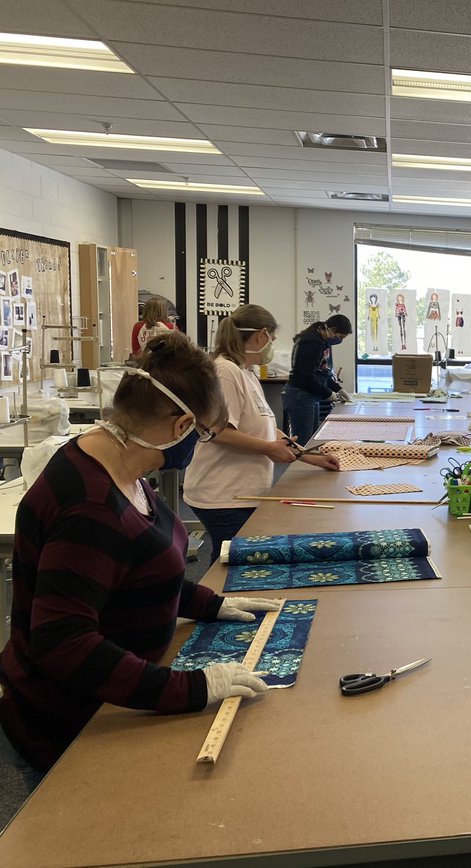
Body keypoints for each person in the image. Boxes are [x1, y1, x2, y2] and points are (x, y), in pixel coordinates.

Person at [0, 332, 277, 783]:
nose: (200, 444)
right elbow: (64, 643)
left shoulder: (118, 463)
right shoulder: (88, 506)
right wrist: (191, 687)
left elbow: (137, 565)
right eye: (204, 433)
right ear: (181, 426)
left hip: (113, 698)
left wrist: (208, 604)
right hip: (77, 723)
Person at [184, 305, 339, 563]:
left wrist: (311, 457)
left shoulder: (246, 372)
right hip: (222, 493)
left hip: (240, 490)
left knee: (234, 562)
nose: (272, 345)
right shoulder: (225, 371)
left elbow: (267, 428)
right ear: (261, 335)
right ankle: (217, 604)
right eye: (272, 338)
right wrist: (269, 449)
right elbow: (218, 431)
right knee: (233, 564)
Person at [283, 314, 352, 446]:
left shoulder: (321, 342)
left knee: (312, 439)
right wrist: (328, 393)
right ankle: (300, 466)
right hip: (300, 395)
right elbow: (307, 377)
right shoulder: (312, 342)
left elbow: (322, 372)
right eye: (341, 337)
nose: (340, 340)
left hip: (309, 395)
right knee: (303, 443)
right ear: (331, 329)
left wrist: (337, 388)